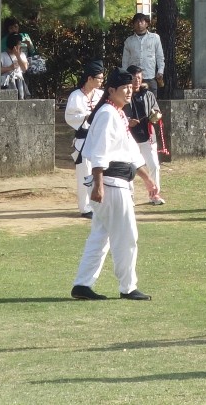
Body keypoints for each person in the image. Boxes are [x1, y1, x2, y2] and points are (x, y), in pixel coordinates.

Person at [71, 68, 152, 301]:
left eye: (130, 88)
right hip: (111, 184)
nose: (128, 92)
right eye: (124, 88)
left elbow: (131, 152)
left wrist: (147, 179)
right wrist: (98, 185)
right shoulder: (107, 113)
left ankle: (82, 284)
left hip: (117, 182)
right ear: (111, 90)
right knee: (126, 236)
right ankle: (128, 287)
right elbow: (99, 153)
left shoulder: (118, 114)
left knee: (100, 235)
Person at [65, 62, 107, 215]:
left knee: (101, 171)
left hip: (99, 139)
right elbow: (69, 117)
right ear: (90, 78)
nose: (101, 81)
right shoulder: (76, 96)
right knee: (85, 173)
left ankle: (99, 204)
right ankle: (85, 207)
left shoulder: (101, 94)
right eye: (99, 78)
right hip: (83, 140)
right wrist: (85, 117)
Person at [125, 65, 166, 206]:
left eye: (139, 77)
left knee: (154, 165)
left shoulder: (148, 94)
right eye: (134, 78)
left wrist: (156, 115)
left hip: (147, 137)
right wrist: (127, 122)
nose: (137, 80)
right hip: (129, 138)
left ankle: (154, 194)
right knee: (130, 168)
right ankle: (129, 196)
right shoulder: (124, 94)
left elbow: (156, 110)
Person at [120, 13, 165, 92]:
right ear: (133, 24)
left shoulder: (155, 38)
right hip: (133, 78)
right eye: (136, 22)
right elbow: (125, 61)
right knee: (133, 102)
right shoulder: (129, 41)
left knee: (151, 102)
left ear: (147, 23)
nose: (139, 24)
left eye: (141, 21)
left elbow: (159, 56)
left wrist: (160, 71)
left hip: (150, 77)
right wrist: (126, 76)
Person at [0, 32, 33, 99]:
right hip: (7, 83)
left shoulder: (22, 55)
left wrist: (18, 56)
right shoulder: (2, 56)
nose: (20, 46)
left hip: (20, 82)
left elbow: (24, 68)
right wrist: (10, 68)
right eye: (19, 44)